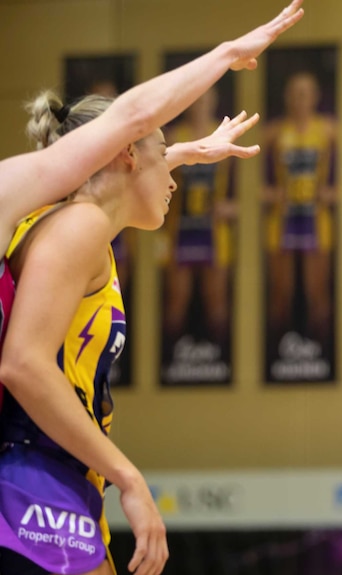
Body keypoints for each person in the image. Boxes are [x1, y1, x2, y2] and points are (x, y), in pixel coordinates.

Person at [0, 4, 305, 575]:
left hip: (52, 468)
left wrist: (187, 153)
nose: (172, 172)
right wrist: (129, 477)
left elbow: (126, 167)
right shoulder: (78, 226)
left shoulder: (73, 216)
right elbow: (22, 364)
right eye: (162, 154)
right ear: (124, 152)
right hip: (29, 469)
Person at [263, 70, 336, 372]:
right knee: (281, 292)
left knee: (317, 291)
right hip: (282, 221)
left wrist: (330, 192)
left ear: (316, 97)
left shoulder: (330, 130)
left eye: (306, 93)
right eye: (295, 93)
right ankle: (278, 357)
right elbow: (248, 182)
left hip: (316, 220)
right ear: (286, 98)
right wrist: (271, 193)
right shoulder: (273, 132)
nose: (300, 99)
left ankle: (320, 355)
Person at [162, 87, 236, 378]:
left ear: (214, 102)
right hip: (179, 231)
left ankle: (219, 362)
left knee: (216, 302)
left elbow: (241, 197)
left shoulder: (225, 138)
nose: (201, 105)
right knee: (176, 301)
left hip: (214, 233)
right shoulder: (172, 136)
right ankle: (170, 363)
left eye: (206, 100)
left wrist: (229, 209)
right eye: (196, 100)